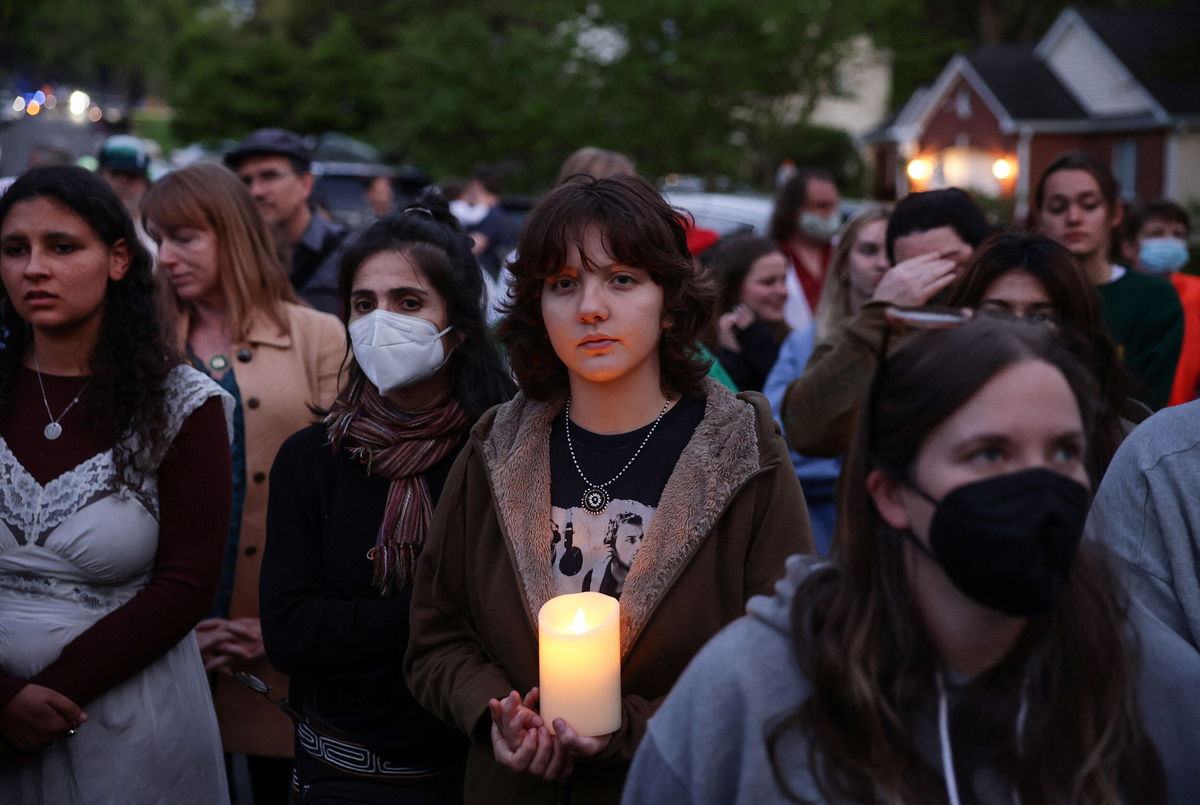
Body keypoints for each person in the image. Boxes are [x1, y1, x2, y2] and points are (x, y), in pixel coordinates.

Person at [624, 315, 1200, 804]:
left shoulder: (1153, 683)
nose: (1038, 484)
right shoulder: (745, 693)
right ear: (892, 494)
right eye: (990, 452)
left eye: (1064, 451)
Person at [404, 174, 813, 804]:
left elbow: (783, 654)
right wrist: (497, 714)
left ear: (669, 300)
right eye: (564, 284)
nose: (590, 307)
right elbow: (436, 636)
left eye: (622, 279)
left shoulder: (744, 450)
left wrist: (632, 729)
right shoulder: (496, 446)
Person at [261, 201, 515, 802]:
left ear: (457, 322)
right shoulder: (313, 458)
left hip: (470, 772)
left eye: (408, 302)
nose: (381, 322)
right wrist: (441, 616)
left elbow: (511, 624)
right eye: (363, 304)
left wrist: (360, 628)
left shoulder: (502, 450)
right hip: (340, 775)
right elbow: (291, 634)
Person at [0, 166, 233, 802]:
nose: (34, 268)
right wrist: (4, 698)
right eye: (15, 249)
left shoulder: (180, 402)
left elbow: (186, 584)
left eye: (62, 246)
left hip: (125, 709)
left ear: (119, 259)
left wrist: (51, 695)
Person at [142, 162, 346, 803]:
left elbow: (343, 502)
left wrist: (282, 625)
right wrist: (167, 627)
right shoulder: (141, 345)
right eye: (156, 239)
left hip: (280, 649)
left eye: (184, 237)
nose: (166, 257)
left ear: (231, 233)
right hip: (162, 647)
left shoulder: (317, 336)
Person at [779, 188, 990, 457]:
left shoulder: (1009, 318)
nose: (932, 280)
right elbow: (807, 433)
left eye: (949, 263)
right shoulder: (872, 331)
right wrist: (879, 318)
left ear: (981, 257)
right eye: (914, 270)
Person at [948, 230, 1145, 482]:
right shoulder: (929, 416)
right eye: (998, 314)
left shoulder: (1127, 441)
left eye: (1041, 317)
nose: (1018, 331)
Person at [763, 207, 890, 553]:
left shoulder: (922, 346)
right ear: (845, 263)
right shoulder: (804, 344)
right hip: (816, 531)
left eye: (892, 252)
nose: (883, 262)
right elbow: (773, 439)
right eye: (869, 250)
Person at [1034, 151, 1182, 411]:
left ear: (1114, 214)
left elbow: (1146, 406)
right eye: (1058, 207)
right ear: (1040, 218)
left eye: (1089, 204)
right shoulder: (1025, 293)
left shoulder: (1154, 298)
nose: (1073, 217)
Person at [225, 128, 348, 315]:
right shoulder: (234, 255)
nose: (256, 191)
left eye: (269, 176)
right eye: (246, 181)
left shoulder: (347, 252)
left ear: (305, 183)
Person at [1120, 199, 1199, 405]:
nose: (1170, 242)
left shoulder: (1197, 294)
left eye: (1178, 235)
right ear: (1129, 248)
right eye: (1156, 234)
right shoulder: (1119, 295)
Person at [708, 235, 789, 392]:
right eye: (768, 282)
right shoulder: (702, 346)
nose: (783, 291)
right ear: (732, 287)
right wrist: (729, 354)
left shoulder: (790, 338)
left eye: (784, 280)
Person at [769, 168, 841, 331]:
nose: (832, 213)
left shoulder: (844, 251)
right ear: (794, 209)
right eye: (822, 206)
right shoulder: (773, 254)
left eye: (834, 205)